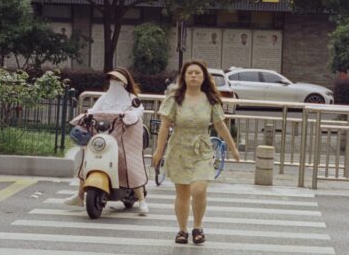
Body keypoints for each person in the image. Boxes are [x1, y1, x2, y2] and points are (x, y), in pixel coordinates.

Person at [152, 60, 240, 244]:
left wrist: (232, 147)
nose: (193, 76)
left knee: (198, 189)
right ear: (184, 76)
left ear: (203, 77)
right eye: (190, 73)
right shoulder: (174, 98)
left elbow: (220, 125)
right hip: (179, 149)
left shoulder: (210, 99)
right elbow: (165, 125)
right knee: (182, 193)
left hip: (202, 149)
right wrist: (158, 152)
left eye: (197, 73)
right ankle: (182, 230)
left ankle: (198, 226)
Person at [66, 68, 149, 215]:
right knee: (87, 156)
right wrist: (87, 116)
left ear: (124, 82)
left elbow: (138, 112)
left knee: (127, 160)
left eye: (117, 79)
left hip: (124, 138)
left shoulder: (131, 99)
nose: (114, 82)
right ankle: (80, 195)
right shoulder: (104, 98)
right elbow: (93, 110)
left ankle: (142, 200)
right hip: (103, 136)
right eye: (111, 79)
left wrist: (131, 117)